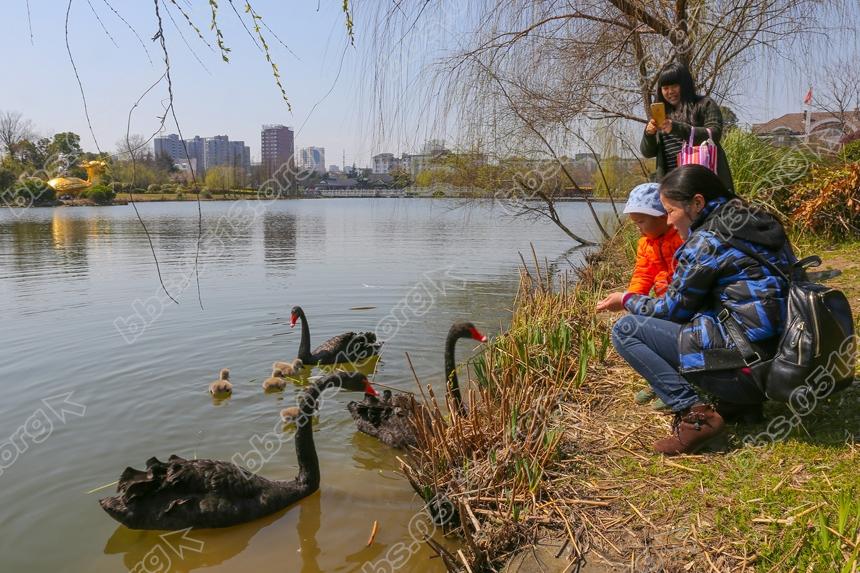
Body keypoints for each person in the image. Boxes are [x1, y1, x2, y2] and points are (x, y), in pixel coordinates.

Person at [610, 165, 796, 455]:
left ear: (697, 203)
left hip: (751, 365)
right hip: (783, 355)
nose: (668, 221)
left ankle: (696, 416)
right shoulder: (757, 221)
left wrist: (626, 299)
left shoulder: (708, 241)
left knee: (626, 330)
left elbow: (672, 310)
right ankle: (740, 404)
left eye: (670, 211)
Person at [596, 182, 684, 411]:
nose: (638, 228)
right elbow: (643, 274)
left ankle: (679, 386)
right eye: (635, 223)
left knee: (659, 333)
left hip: (681, 305)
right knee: (643, 327)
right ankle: (661, 380)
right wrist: (631, 300)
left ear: (663, 216)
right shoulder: (646, 245)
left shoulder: (681, 239)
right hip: (662, 304)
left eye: (641, 222)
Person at [641, 62, 734, 192]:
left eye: (674, 86)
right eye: (665, 88)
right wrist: (649, 134)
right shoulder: (661, 114)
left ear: (685, 85)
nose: (670, 92)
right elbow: (647, 152)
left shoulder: (704, 104)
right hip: (671, 186)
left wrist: (677, 128)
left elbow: (715, 133)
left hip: (703, 181)